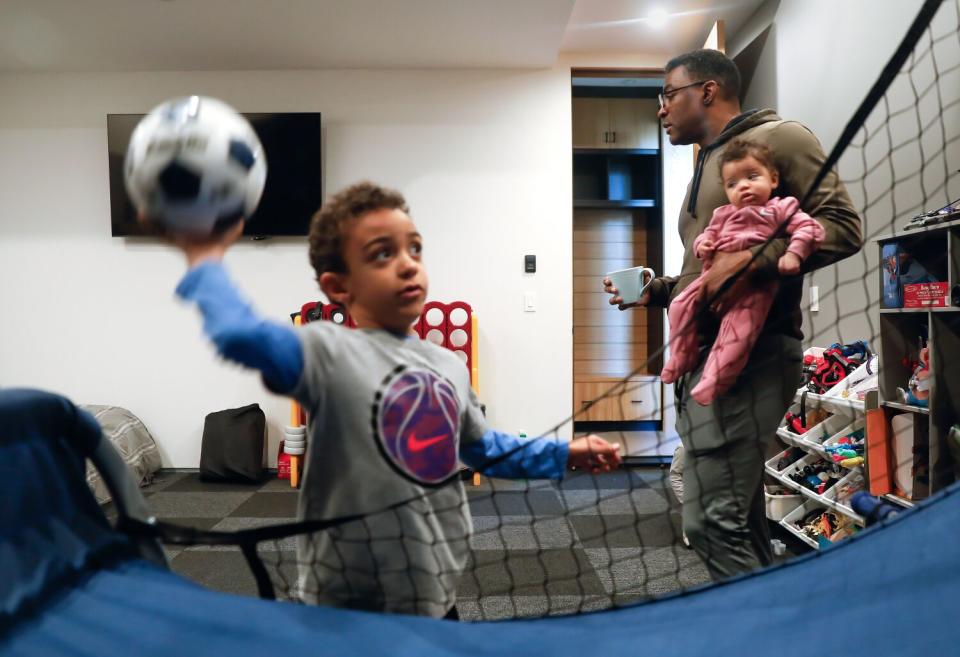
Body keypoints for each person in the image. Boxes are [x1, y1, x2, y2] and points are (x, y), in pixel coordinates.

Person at [169, 181, 622, 619]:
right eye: (383, 254)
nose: (408, 264)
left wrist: (565, 455)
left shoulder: (449, 365)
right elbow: (241, 337)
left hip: (431, 589)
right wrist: (204, 257)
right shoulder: (328, 352)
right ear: (338, 287)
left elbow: (482, 449)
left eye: (415, 248)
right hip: (343, 599)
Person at [603, 49, 861, 580]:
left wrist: (750, 260)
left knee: (709, 523)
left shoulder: (783, 139)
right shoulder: (709, 164)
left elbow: (841, 226)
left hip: (754, 356)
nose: (661, 110)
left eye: (667, 95)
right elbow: (710, 272)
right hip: (701, 359)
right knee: (740, 520)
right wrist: (658, 291)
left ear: (707, 90)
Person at [660, 138, 826, 405]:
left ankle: (715, 379)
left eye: (752, 176)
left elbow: (811, 229)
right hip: (711, 278)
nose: (744, 187)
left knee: (737, 333)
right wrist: (705, 245)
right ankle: (683, 355)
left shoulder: (780, 209)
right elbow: (704, 238)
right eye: (733, 184)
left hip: (755, 287)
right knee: (680, 305)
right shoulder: (722, 214)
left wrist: (794, 253)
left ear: (772, 179)